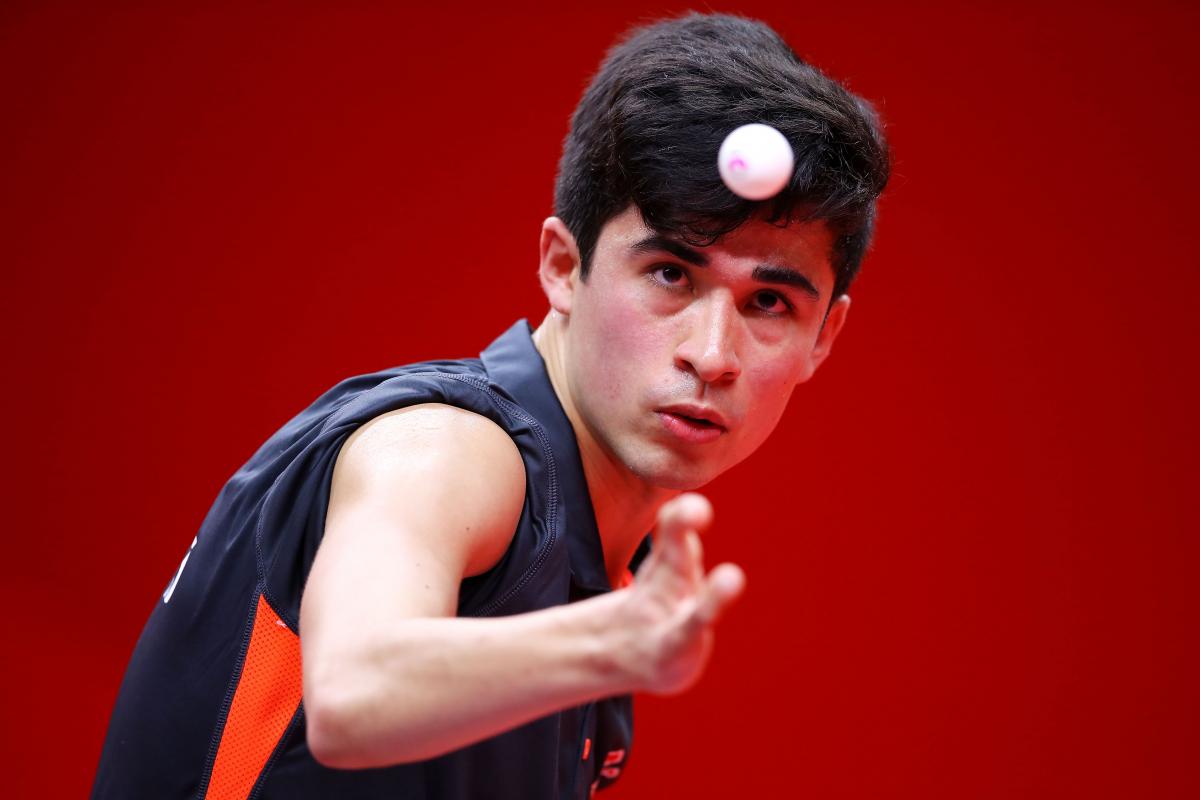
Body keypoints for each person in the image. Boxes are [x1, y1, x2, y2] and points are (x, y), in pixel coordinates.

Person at [91, 11, 889, 799]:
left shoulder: (600, 565)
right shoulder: (448, 450)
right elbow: (352, 695)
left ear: (825, 335)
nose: (712, 355)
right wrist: (613, 642)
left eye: (770, 303)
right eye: (671, 275)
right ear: (561, 265)